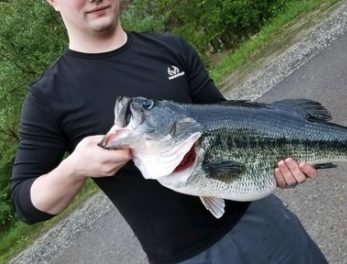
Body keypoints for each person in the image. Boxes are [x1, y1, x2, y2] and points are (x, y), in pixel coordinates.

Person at [11, 0, 328, 263]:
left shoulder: (170, 49)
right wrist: (74, 168)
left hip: (263, 222)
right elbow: (26, 204)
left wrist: (278, 165)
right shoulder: (48, 97)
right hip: (183, 257)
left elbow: (234, 122)